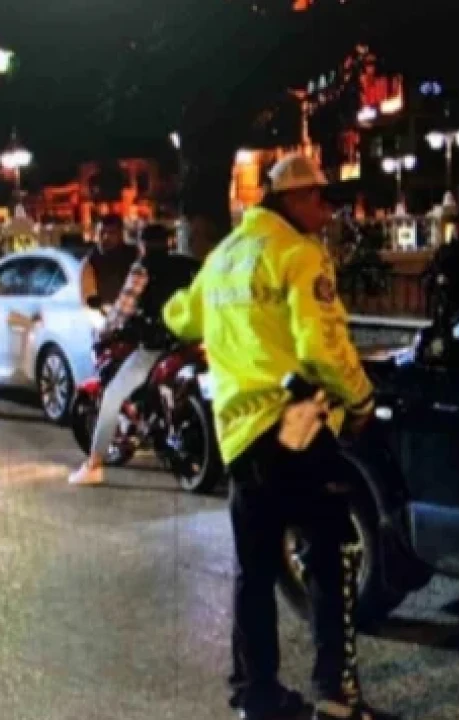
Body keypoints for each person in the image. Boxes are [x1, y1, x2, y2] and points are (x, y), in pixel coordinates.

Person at [164, 155, 396, 720]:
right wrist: (361, 398)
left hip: (241, 434)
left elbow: (180, 317)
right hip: (298, 423)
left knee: (256, 569)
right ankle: (336, 698)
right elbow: (322, 348)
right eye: (321, 199)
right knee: (332, 556)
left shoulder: (223, 257)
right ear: (293, 199)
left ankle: (257, 695)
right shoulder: (299, 253)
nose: (327, 212)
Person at [68, 222, 200, 485]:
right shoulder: (188, 265)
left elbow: (123, 309)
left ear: (142, 244)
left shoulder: (142, 268)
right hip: (192, 340)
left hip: (157, 345)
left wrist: (105, 331)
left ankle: (93, 465)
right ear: (169, 242)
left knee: (112, 396)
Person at [80, 214, 138, 308]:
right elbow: (88, 295)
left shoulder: (135, 256)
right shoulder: (91, 260)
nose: (106, 236)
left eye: (112, 232)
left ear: (120, 234)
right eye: (102, 232)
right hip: (105, 312)